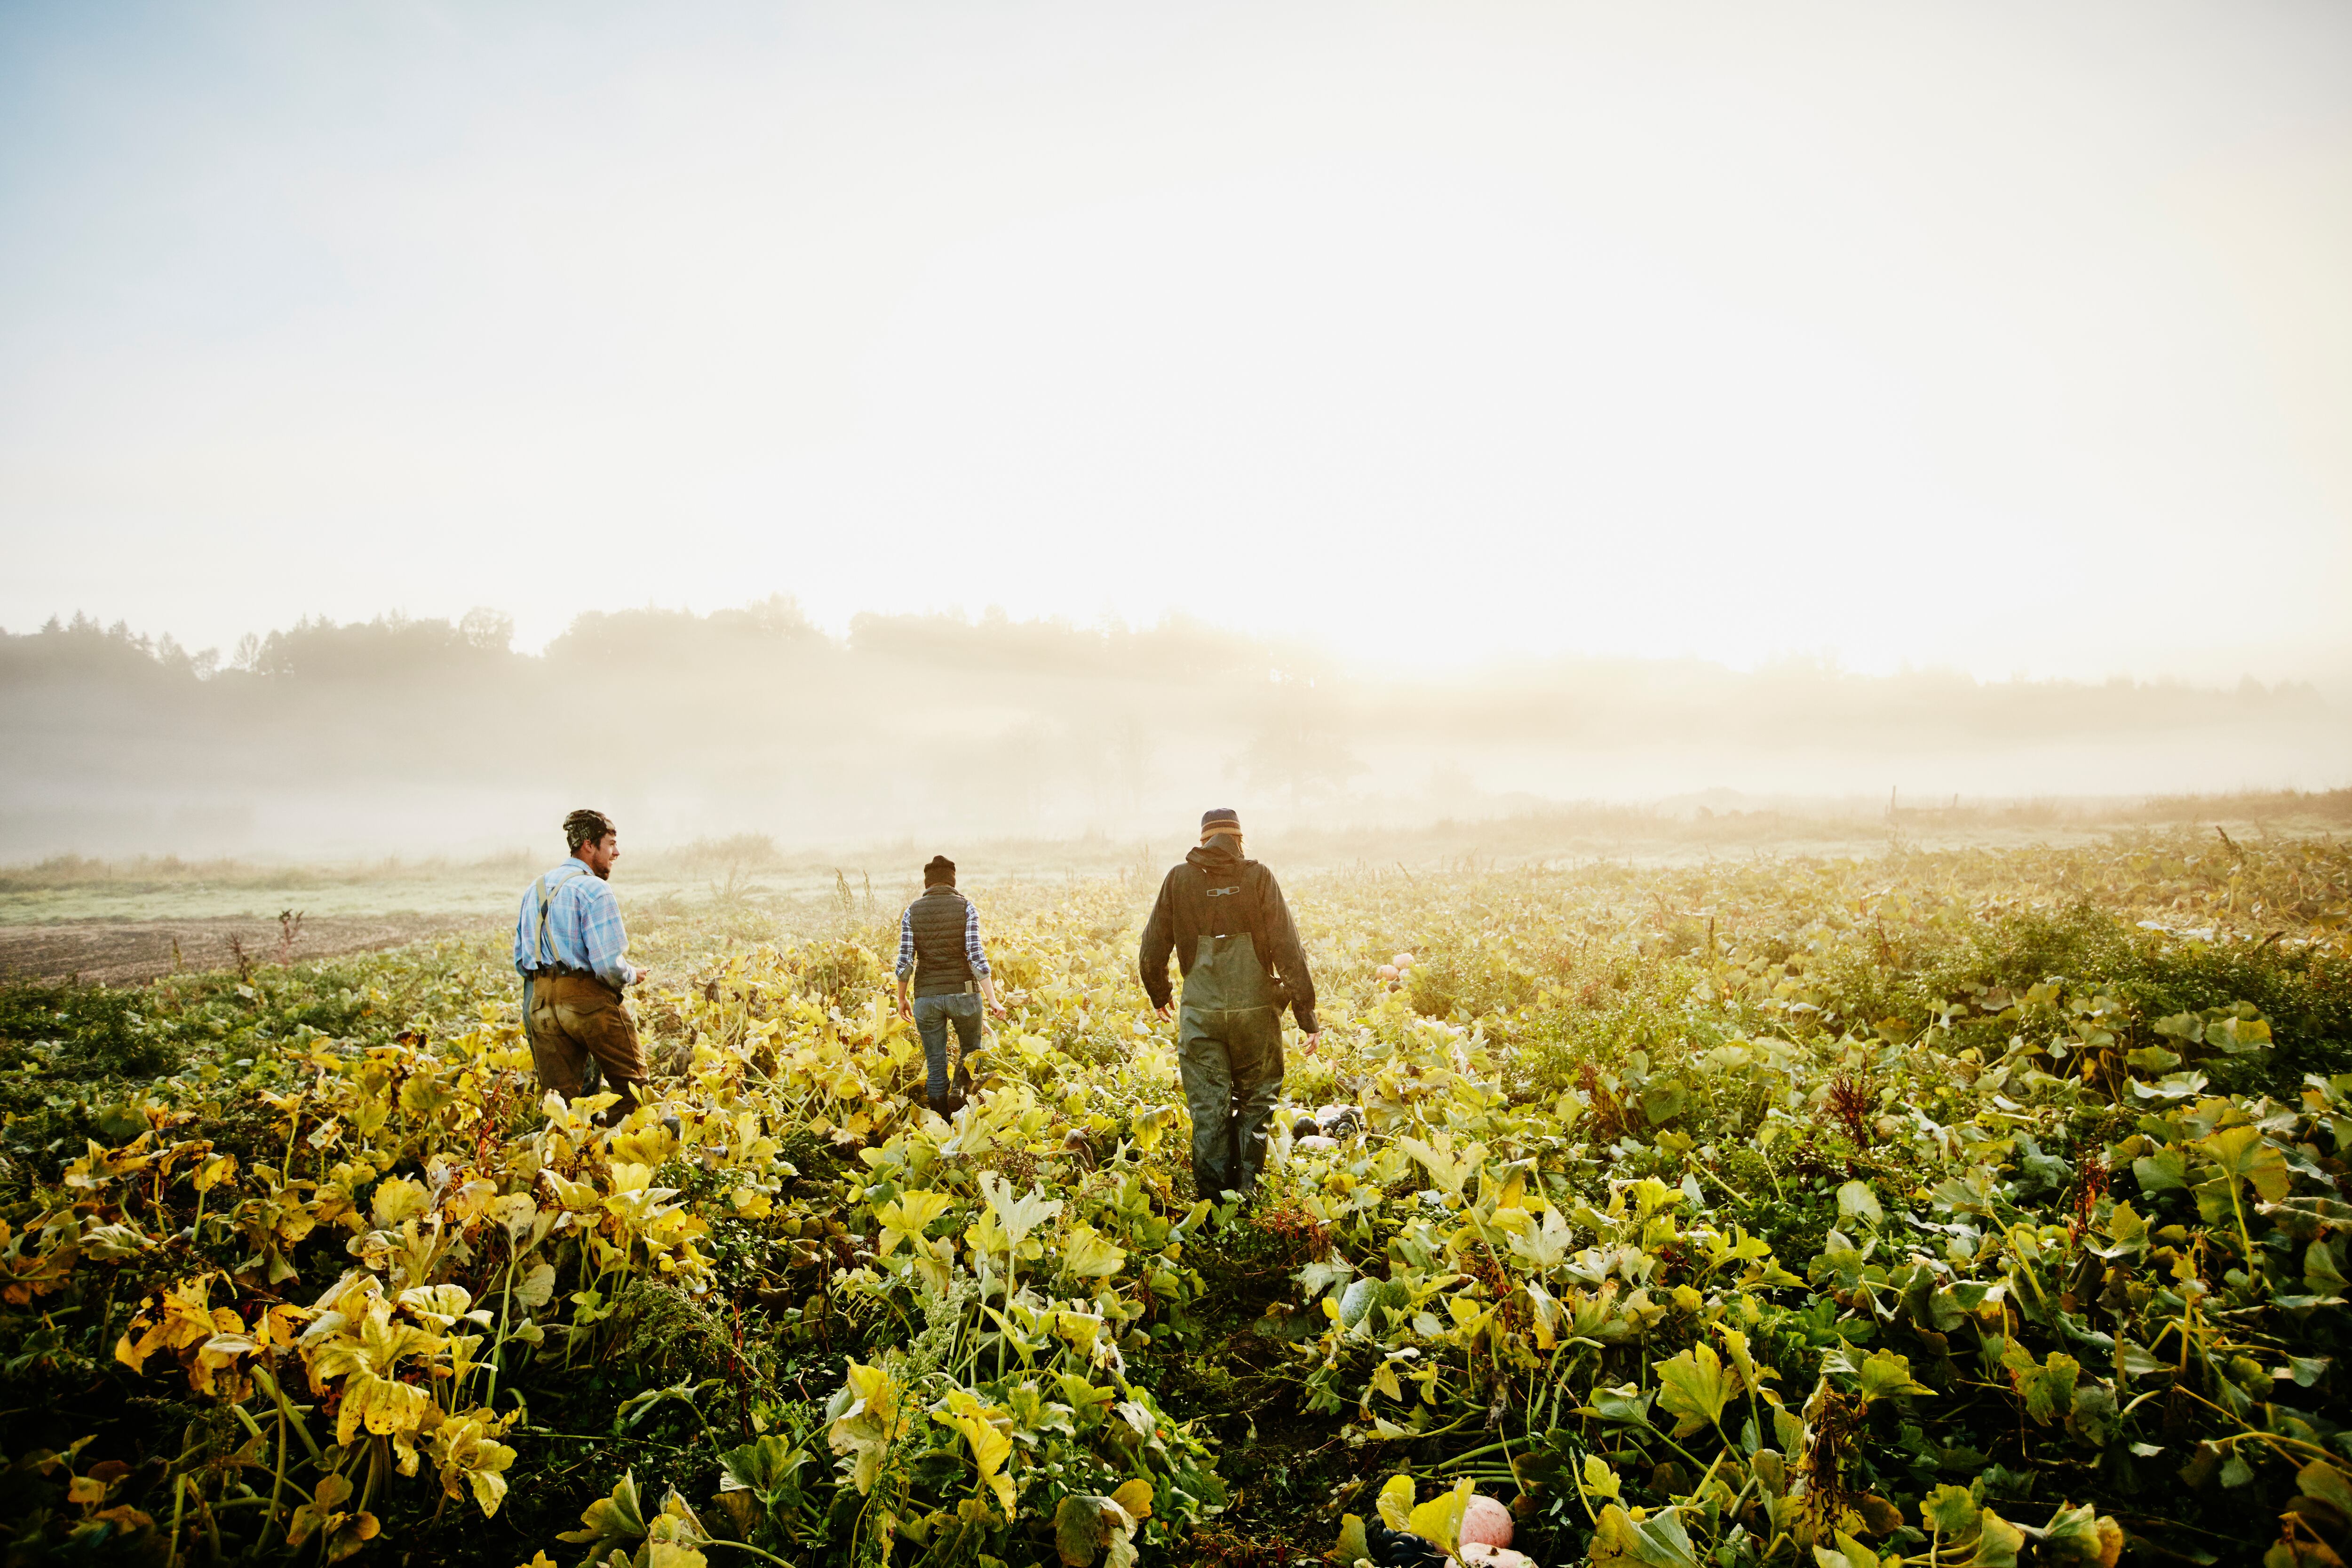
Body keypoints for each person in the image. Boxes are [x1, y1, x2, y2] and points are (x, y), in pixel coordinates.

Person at [1138, 808, 1320, 1202]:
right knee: (1256, 1104)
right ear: (1240, 839)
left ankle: (1213, 1208)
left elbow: (1152, 947)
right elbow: (1289, 949)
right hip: (1255, 1015)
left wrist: (1160, 993)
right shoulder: (1258, 877)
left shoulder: (1178, 879)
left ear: (1203, 840)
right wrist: (1308, 1017)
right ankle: (1247, 1195)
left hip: (1201, 1012)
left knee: (1209, 1109)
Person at [513, 808, 652, 1124]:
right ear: (589, 846)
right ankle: (613, 1147)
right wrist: (632, 974)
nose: (617, 852)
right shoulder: (594, 889)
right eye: (611, 844)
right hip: (586, 1001)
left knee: (563, 1109)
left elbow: (522, 961)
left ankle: (570, 1161)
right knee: (635, 1092)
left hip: (540, 1005)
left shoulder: (533, 890)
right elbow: (607, 966)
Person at [895, 855, 1005, 1117]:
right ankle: (960, 1095)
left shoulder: (912, 911)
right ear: (953, 881)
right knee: (970, 1053)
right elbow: (976, 955)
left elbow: (905, 961)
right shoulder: (966, 907)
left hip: (926, 998)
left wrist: (901, 998)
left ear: (928, 883)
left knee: (935, 1064)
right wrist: (992, 1000)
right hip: (964, 993)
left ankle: (942, 1122)